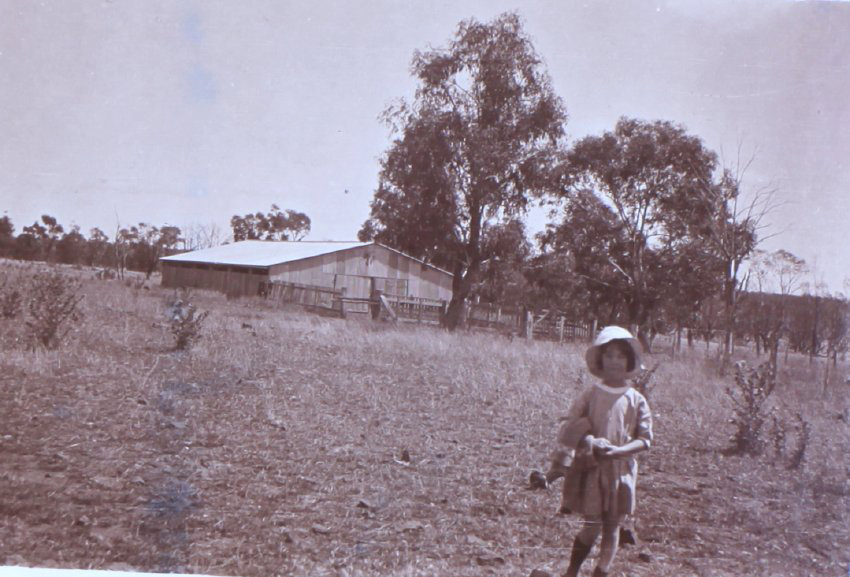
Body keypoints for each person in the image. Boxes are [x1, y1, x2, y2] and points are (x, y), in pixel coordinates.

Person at [557, 326, 653, 577]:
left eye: (620, 356)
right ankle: (572, 571)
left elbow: (645, 439)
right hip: (593, 469)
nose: (614, 361)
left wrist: (620, 450)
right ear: (601, 359)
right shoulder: (591, 393)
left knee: (613, 527)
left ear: (629, 361)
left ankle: (602, 571)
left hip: (621, 472)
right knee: (592, 524)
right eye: (609, 355)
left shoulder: (636, 399)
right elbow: (571, 426)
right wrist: (591, 440)